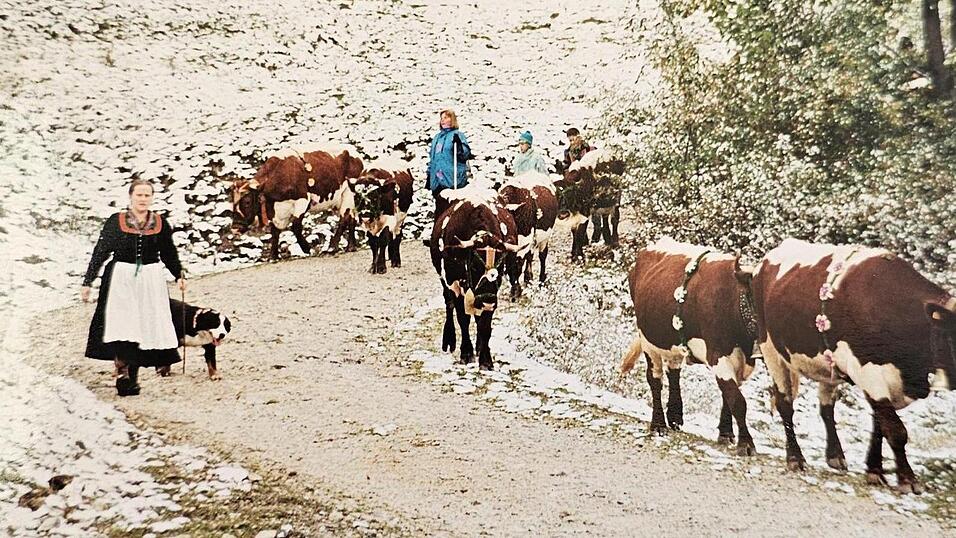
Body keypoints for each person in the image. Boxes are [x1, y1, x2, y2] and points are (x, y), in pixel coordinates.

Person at [81, 179, 186, 396]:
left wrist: (179, 275)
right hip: (121, 277)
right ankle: (123, 373)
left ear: (152, 198)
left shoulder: (160, 223)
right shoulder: (115, 221)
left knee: (142, 327)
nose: (143, 199)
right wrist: (88, 281)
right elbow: (101, 251)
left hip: (150, 279)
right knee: (122, 325)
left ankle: (133, 378)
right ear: (131, 196)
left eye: (147, 195)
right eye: (139, 195)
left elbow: (168, 252)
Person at [426, 109, 472, 218]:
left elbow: (465, 155)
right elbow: (433, 158)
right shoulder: (437, 138)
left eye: (446, 117)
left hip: (452, 179)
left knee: (453, 211)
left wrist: (460, 146)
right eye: (441, 118)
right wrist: (429, 175)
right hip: (437, 181)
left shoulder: (457, 135)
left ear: (452, 119)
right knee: (440, 210)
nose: (443, 120)